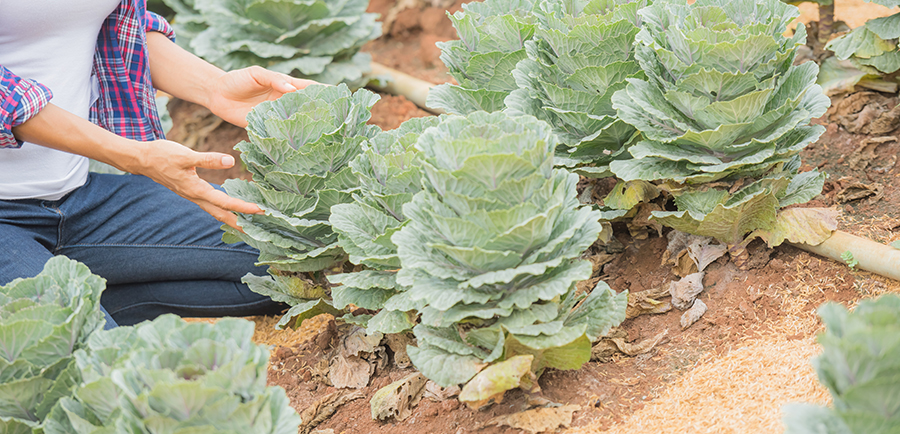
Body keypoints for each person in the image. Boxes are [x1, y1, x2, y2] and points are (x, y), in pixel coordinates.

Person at [0, 0, 315, 327]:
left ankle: (93, 305)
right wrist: (134, 155)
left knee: (287, 266)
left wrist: (214, 87)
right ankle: (78, 321)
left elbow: (123, 31)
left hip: (78, 198)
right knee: (93, 364)